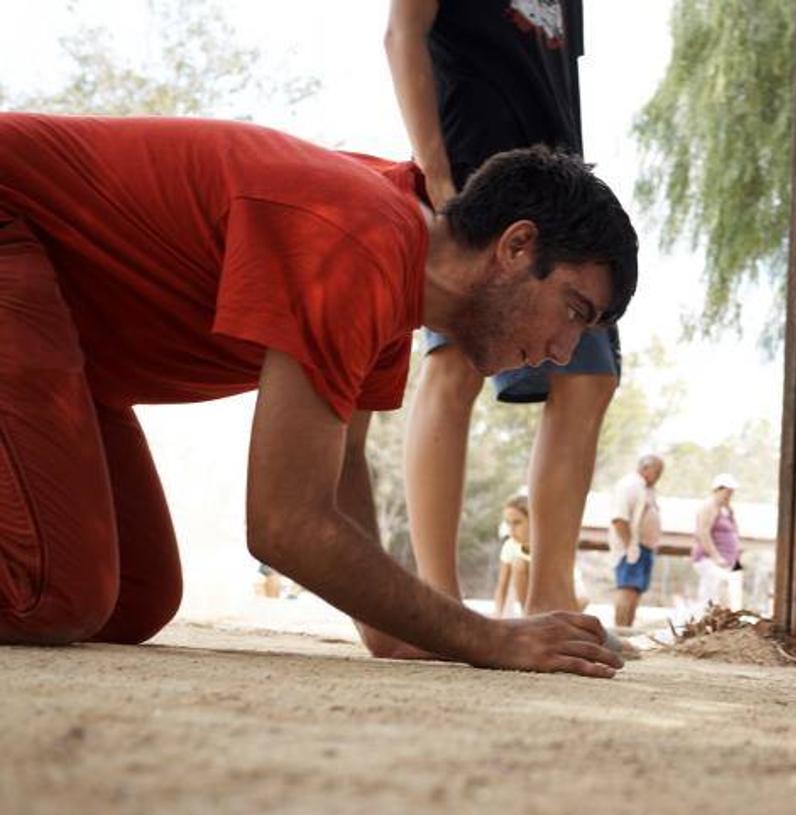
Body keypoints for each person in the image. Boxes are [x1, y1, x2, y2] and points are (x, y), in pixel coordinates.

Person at [0, 112, 636, 679]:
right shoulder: (358, 240)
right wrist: (486, 637)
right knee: (52, 592)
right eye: (574, 312)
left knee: (137, 597)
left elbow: (338, 476)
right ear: (517, 246)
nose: (561, 352)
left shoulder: (401, 283)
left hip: (70, 342)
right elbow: (285, 523)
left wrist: (396, 630)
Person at [386, 0, 621, 622]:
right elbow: (401, 33)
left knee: (590, 373)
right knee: (454, 364)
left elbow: (556, 85)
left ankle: (549, 596)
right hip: (474, 178)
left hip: (564, 193)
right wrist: (437, 177)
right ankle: (436, 595)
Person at [609, 454, 663, 628]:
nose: (659, 476)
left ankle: (628, 629)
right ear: (645, 468)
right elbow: (619, 518)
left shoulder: (646, 489)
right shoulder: (630, 485)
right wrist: (630, 546)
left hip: (645, 548)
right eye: (658, 471)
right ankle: (621, 630)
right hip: (631, 547)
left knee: (636, 591)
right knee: (627, 589)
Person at [690, 472, 744, 613]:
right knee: (711, 594)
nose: (729, 496)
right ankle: (702, 621)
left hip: (728, 560)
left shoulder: (726, 509)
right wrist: (715, 556)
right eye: (727, 492)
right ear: (718, 490)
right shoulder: (709, 506)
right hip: (710, 559)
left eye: (732, 493)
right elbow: (703, 533)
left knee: (727, 596)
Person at [493, 494, 532, 619]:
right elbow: (502, 585)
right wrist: (498, 614)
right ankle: (529, 615)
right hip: (530, 602)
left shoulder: (543, 543)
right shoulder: (510, 546)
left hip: (553, 594)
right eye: (508, 523)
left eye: (517, 523)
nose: (511, 529)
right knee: (518, 563)